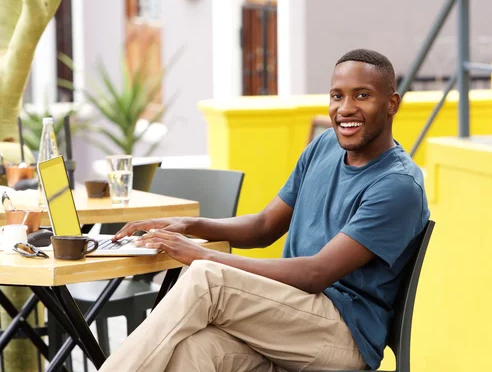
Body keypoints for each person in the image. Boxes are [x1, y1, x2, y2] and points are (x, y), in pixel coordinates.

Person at [99, 49, 430, 372]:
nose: (345, 108)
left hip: (343, 335)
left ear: (391, 104)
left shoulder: (397, 185)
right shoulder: (324, 146)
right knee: (193, 350)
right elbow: (263, 226)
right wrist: (188, 224)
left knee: (206, 277)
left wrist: (201, 256)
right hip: (289, 316)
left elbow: (317, 274)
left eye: (362, 96)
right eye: (337, 96)